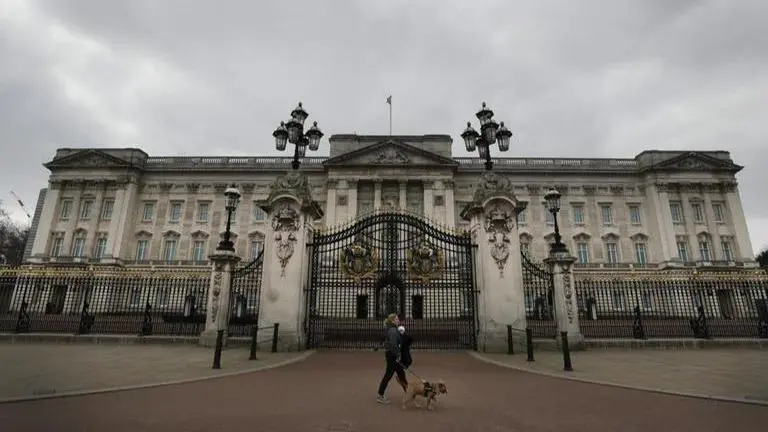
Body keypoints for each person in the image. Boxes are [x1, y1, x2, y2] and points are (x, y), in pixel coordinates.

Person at [376, 313, 407, 404]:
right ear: (393, 320)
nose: (398, 320)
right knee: (388, 375)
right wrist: (398, 355)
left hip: (392, 354)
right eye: (397, 319)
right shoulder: (393, 330)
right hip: (392, 355)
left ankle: (408, 391)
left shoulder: (391, 329)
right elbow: (393, 345)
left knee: (401, 374)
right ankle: (380, 395)